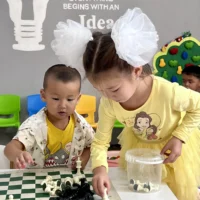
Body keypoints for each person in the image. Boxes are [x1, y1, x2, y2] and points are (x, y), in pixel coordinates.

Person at [51, 8, 200, 200]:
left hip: (173, 152)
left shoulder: (167, 92)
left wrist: (179, 138)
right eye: (100, 90)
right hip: (139, 152)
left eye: (113, 90)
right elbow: (101, 141)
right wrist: (99, 170)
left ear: (136, 71)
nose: (107, 97)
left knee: (176, 194)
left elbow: (197, 106)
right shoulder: (109, 102)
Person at [4, 64, 94, 169]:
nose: (62, 105)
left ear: (78, 99)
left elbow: (93, 144)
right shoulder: (33, 125)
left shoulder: (81, 125)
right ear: (43, 95)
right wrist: (17, 154)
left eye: (70, 99)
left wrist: (83, 158)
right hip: (37, 179)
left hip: (68, 180)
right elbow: (9, 148)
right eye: (56, 98)